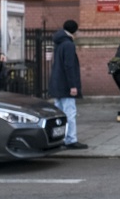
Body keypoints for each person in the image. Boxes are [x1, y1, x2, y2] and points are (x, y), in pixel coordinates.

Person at [48, 20, 88, 150]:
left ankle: (59, 137)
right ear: (74, 31)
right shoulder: (68, 44)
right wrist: (73, 85)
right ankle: (71, 139)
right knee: (70, 112)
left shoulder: (59, 42)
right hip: (66, 84)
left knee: (59, 113)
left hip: (57, 83)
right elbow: (69, 66)